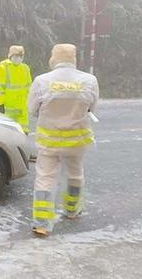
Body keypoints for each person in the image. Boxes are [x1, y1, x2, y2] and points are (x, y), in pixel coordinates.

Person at [27, 44, 99, 237]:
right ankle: (72, 210)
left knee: (45, 179)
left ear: (54, 58)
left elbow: (32, 109)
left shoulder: (42, 81)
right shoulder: (89, 80)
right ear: (74, 58)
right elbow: (92, 108)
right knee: (75, 175)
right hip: (77, 141)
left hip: (50, 143)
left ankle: (42, 223)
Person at [0, 45, 32, 133]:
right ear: (10, 56)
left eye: (20, 56)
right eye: (16, 56)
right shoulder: (3, 67)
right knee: (8, 133)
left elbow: (29, 87)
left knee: (23, 132)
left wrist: (30, 101)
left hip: (22, 107)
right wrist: (0, 104)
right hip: (8, 108)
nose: (18, 58)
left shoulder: (25, 68)